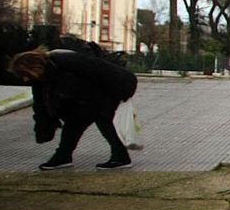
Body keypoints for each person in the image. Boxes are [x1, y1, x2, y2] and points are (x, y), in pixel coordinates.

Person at [9, 46, 137, 170]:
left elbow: (98, 76)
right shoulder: (41, 77)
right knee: (77, 121)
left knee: (101, 117)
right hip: (94, 92)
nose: (25, 79)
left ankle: (120, 157)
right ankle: (64, 156)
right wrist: (43, 131)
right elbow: (40, 105)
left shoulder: (65, 63)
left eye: (24, 75)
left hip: (116, 85)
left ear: (32, 67)